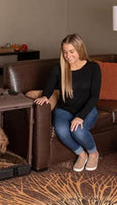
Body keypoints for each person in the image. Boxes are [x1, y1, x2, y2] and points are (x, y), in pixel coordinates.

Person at [34, 34, 101, 172]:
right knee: (62, 131)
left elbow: (94, 97)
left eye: (71, 51)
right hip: (64, 109)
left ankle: (93, 153)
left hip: (86, 109)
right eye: (65, 52)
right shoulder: (58, 69)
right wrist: (45, 97)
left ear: (80, 49)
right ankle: (81, 155)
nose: (68, 55)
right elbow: (48, 90)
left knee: (78, 131)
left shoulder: (93, 68)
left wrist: (81, 116)